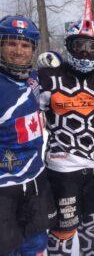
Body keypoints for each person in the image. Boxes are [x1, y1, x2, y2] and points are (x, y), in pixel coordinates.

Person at [38, 0, 94, 255]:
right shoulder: (49, 77)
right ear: (69, 47)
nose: (85, 53)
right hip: (62, 169)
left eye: (92, 48)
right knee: (63, 231)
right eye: (79, 46)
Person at [0, 15, 57, 256]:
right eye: (11, 43)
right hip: (4, 190)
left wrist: (56, 59)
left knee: (36, 249)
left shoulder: (33, 80)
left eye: (25, 45)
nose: (18, 50)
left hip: (35, 183)